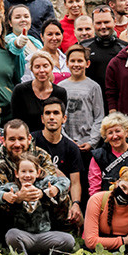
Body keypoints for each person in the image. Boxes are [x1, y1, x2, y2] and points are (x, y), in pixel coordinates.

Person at [0, 119, 70, 246]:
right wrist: (17, 196)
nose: (17, 144)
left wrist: (41, 193)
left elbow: (51, 181)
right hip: (11, 203)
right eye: (12, 139)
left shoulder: (41, 156)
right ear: (4, 141)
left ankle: (56, 236)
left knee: (62, 194)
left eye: (21, 139)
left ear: (29, 138)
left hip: (39, 200)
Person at [0, 155, 75, 255]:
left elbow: (65, 181)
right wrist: (6, 196)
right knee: (11, 235)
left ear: (38, 173)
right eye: (23, 171)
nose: (27, 175)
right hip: (24, 236)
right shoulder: (13, 187)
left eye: (31, 171)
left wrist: (55, 189)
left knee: (69, 240)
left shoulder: (42, 184)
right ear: (17, 173)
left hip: (44, 236)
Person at [33, 97, 85, 227]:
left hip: (60, 196)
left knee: (79, 219)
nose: (51, 117)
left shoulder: (71, 148)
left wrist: (76, 204)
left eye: (56, 113)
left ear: (64, 119)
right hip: (36, 193)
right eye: (48, 113)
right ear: (42, 118)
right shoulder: (32, 141)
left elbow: (75, 183)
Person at [62, 45, 104, 155]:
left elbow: (99, 117)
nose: (76, 64)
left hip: (87, 144)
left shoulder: (94, 87)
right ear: (67, 63)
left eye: (80, 61)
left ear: (87, 63)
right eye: (72, 61)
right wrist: (67, 141)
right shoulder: (61, 87)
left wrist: (92, 142)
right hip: (67, 144)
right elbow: (58, 118)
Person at [10, 50, 67, 132]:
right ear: (32, 69)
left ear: (51, 68)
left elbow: (60, 122)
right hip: (27, 138)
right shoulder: (20, 90)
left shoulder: (60, 92)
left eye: (45, 66)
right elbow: (17, 122)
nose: (41, 70)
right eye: (37, 67)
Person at [89, 112, 128, 195]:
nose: (114, 136)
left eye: (118, 131)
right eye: (110, 133)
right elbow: (94, 189)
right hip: (107, 202)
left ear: (126, 132)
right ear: (105, 136)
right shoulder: (98, 156)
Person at [82, 7, 124, 105]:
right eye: (98, 23)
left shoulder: (124, 48)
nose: (103, 26)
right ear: (93, 24)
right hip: (91, 103)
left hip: (117, 104)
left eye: (106, 22)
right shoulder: (83, 47)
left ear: (114, 21)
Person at [5, 4, 43, 79]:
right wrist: (18, 43)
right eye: (17, 17)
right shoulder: (7, 39)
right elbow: (13, 45)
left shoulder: (35, 41)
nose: (23, 20)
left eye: (26, 17)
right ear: (10, 23)